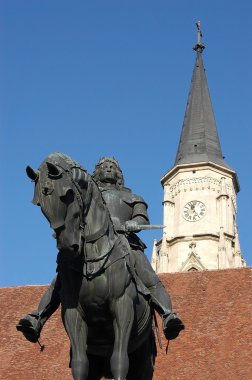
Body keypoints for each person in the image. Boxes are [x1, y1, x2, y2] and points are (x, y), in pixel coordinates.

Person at [17, 157, 184, 343]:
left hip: (126, 243)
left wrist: (130, 224)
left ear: (119, 174)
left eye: (113, 167)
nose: (108, 169)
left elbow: (142, 219)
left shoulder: (133, 198)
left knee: (148, 274)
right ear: (97, 173)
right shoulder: (89, 194)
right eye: (104, 167)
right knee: (63, 274)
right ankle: (37, 317)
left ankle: (168, 315)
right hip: (91, 245)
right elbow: (75, 214)